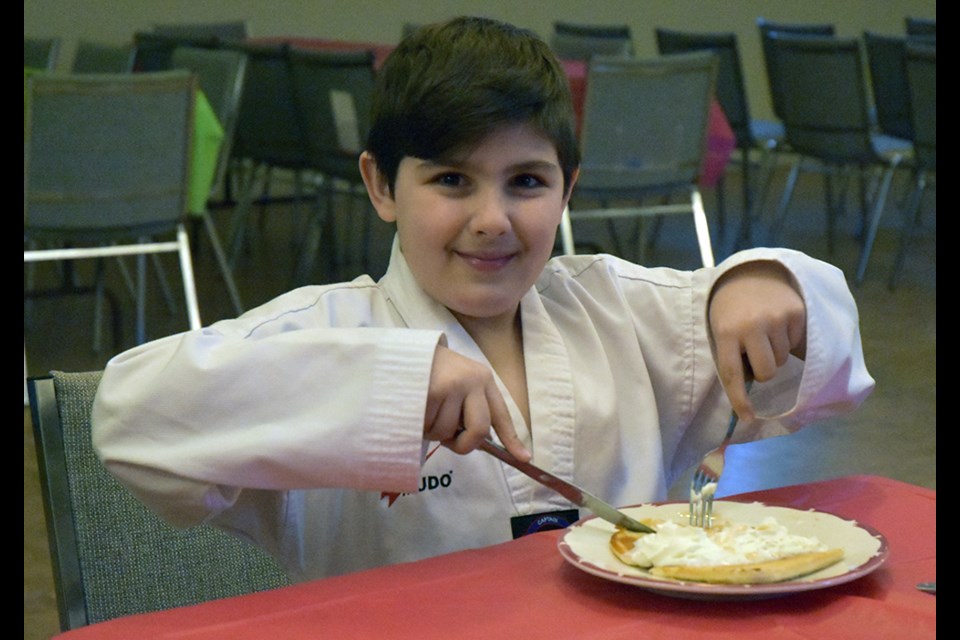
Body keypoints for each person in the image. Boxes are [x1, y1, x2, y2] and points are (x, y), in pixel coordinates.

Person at [91, 17, 873, 581]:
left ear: (568, 189)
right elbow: (129, 420)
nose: (492, 220)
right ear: (380, 185)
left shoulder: (621, 315)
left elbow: (824, 362)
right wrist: (381, 383)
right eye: (451, 179)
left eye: (526, 182)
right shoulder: (326, 331)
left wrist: (766, 281)